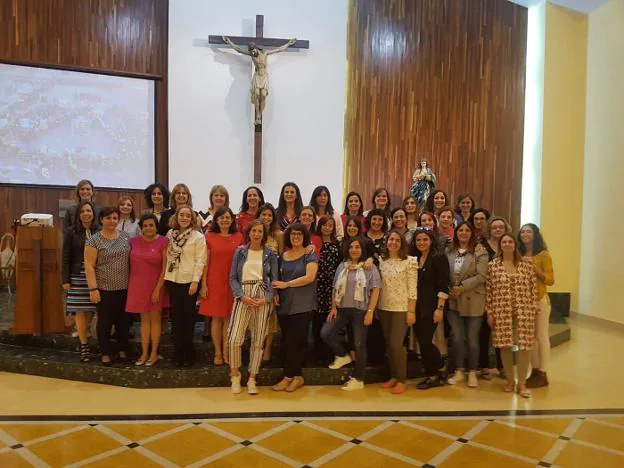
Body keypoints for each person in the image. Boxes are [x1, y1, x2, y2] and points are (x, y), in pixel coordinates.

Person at [321, 237, 381, 390]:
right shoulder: (342, 266)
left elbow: (375, 290)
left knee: (359, 344)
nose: (354, 250)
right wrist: (333, 308)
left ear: (362, 250)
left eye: (357, 247)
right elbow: (335, 288)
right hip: (342, 309)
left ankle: (359, 379)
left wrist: (370, 311)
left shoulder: (369, 268)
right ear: (347, 249)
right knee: (326, 333)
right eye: (351, 247)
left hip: (361, 311)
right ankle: (342, 355)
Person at [228, 220, 278, 395]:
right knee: (235, 338)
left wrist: (268, 298)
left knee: (258, 341)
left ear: (264, 234)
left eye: (260, 231)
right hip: (243, 295)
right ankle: (235, 376)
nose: (257, 234)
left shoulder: (270, 254)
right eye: (254, 231)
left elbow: (274, 279)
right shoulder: (240, 252)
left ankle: (251, 378)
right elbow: (233, 277)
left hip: (262, 297)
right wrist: (241, 295)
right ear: (248, 233)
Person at [486, 233, 538, 398]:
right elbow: (490, 290)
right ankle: (510, 380)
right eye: (504, 242)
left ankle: (522, 383)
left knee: (525, 347)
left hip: (525, 311)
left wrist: (534, 307)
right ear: (500, 245)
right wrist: (490, 312)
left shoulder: (526, 264)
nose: (507, 244)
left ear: (515, 245)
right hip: (502, 311)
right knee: (505, 346)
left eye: (510, 241)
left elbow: (533, 288)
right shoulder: (493, 265)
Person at [271, 224, 318, 393]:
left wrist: (287, 284)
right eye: (293, 234)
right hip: (285, 305)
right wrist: (276, 291)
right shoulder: (283, 255)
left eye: (299, 234)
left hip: (303, 305)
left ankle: (288, 377)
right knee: (287, 342)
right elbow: (277, 277)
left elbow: (310, 277)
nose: (296, 236)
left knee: (294, 342)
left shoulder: (309, 254)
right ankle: (297, 377)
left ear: (304, 237)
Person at [84, 206, 131, 366]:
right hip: (104, 289)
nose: (112, 221)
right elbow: (89, 266)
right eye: (109, 218)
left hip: (125, 287)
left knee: (123, 322)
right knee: (105, 322)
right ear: (101, 220)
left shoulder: (125, 237)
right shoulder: (94, 240)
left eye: (115, 218)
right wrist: (93, 289)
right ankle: (105, 352)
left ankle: (122, 349)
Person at [445, 222, 488, 387]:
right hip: (453, 300)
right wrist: (450, 288)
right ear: (456, 233)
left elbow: (481, 276)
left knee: (472, 339)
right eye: (460, 230)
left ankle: (472, 372)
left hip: (473, 299)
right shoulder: (449, 251)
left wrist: (461, 288)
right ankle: (459, 370)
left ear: (472, 233)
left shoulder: (480, 252)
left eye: (467, 230)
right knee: (457, 337)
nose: (463, 233)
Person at [199, 208, 244, 365]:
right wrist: (203, 284)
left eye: (228, 217)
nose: (225, 220)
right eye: (221, 217)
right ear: (216, 220)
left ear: (232, 220)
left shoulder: (239, 237)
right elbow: (205, 262)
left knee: (229, 319)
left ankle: (226, 351)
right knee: (216, 318)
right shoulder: (209, 236)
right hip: (214, 281)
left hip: (233, 282)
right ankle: (217, 352)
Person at [164, 206, 207, 367]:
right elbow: (167, 256)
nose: (184, 218)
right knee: (175, 317)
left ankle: (188, 351)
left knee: (188, 318)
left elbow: (200, 261)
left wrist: (196, 281)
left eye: (188, 215)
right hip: (172, 279)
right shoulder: (170, 234)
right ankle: (177, 351)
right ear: (177, 217)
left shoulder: (198, 237)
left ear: (192, 219)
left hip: (189, 281)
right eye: (181, 215)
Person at [222, 36, 297, 125]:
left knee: (263, 95)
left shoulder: (265, 54)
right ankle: (257, 117)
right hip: (257, 76)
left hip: (264, 76)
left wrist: (288, 43)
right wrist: (229, 42)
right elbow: (238, 50)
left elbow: (279, 49)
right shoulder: (252, 55)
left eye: (254, 50)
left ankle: (259, 114)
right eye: (251, 51)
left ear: (257, 48)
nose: (253, 53)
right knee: (257, 94)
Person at [377, 230, 417, 394]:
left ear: (402, 244)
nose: (393, 242)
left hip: (401, 308)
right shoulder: (382, 261)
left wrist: (411, 311)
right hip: (384, 307)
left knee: (396, 344)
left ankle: (402, 379)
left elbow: (413, 288)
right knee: (388, 344)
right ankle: (393, 375)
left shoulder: (409, 261)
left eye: (397, 240)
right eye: (391, 239)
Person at [126, 214, 168, 367]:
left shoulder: (163, 242)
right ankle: (144, 353)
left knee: (155, 320)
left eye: (151, 225)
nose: (148, 228)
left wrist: (158, 288)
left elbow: (165, 268)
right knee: (144, 321)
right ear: (141, 227)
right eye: (145, 226)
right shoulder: (133, 242)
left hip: (156, 286)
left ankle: (154, 353)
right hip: (137, 286)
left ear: (156, 226)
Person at [411, 227, 450, 390]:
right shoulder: (413, 259)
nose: (421, 242)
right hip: (416, 307)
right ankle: (432, 374)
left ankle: (439, 368)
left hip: (432, 307)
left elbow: (443, 284)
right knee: (422, 341)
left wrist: (440, 308)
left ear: (431, 241)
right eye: (418, 240)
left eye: (425, 239)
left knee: (426, 342)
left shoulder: (439, 258)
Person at [518, 223, 555, 389]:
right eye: (523, 231)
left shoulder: (543, 255)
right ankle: (534, 370)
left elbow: (550, 280)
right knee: (529, 338)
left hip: (540, 299)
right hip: (525, 301)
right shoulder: (518, 254)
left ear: (535, 235)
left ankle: (543, 372)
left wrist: (534, 269)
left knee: (541, 336)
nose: (525, 234)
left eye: (529, 231)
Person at [62, 200, 99, 362]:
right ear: (78, 214)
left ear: (93, 213)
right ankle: (84, 345)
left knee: (91, 309)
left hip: (96, 276)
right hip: (77, 276)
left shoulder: (99, 231)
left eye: (89, 211)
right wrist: (65, 279)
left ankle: (87, 332)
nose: (86, 213)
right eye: (83, 211)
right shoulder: (71, 232)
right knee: (79, 310)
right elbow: (65, 256)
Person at [479, 216, 512, 379]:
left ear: (505, 229)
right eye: (494, 227)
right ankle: (483, 366)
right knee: (483, 331)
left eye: (501, 227)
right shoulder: (483, 246)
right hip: (483, 290)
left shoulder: (509, 246)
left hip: (502, 294)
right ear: (489, 230)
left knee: (501, 331)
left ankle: (502, 366)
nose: (498, 230)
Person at [256, 203, 283, 361]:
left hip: (271, 281)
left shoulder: (278, 234)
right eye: (263, 214)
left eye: (269, 215)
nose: (266, 218)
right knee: (257, 317)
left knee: (270, 317)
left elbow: (281, 261)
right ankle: (257, 346)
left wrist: (277, 287)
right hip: (254, 280)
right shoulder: (255, 232)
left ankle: (267, 348)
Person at [313, 215, 342, 362]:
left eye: (330, 225)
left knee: (330, 320)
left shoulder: (337, 244)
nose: (327, 228)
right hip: (317, 286)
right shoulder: (315, 242)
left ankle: (330, 354)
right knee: (317, 320)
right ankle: (318, 354)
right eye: (324, 225)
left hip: (332, 286)